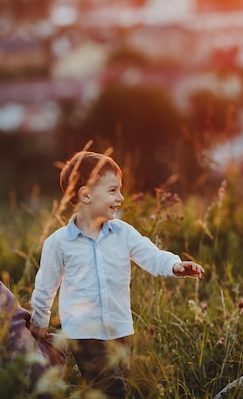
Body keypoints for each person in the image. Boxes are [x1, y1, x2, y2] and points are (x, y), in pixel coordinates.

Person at [29, 150, 205, 399]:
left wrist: (174, 265)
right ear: (86, 194)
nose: (121, 197)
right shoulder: (58, 243)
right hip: (84, 334)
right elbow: (45, 287)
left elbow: (151, 255)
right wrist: (39, 322)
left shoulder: (123, 233)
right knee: (113, 391)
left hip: (120, 329)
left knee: (114, 386)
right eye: (113, 191)